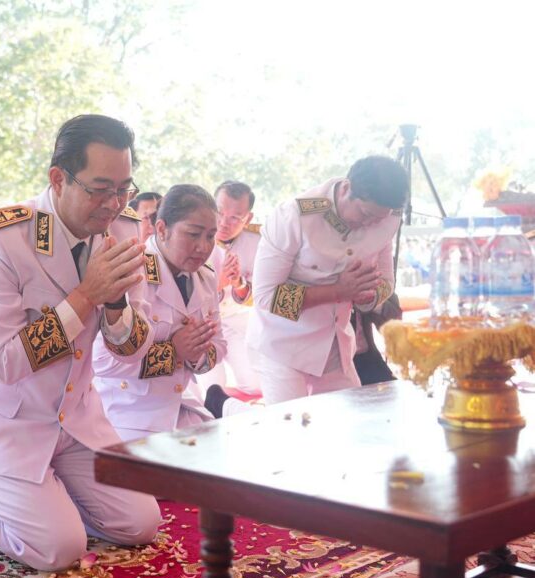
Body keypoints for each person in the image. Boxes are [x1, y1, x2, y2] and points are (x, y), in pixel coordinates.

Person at [0, 114, 161, 572]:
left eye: (124, 189)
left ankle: (48, 497)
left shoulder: (122, 229)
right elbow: (4, 363)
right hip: (5, 418)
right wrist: (86, 296)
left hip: (74, 418)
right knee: (58, 549)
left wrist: (114, 301)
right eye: (100, 189)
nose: (114, 204)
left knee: (141, 524)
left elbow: (133, 349)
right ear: (58, 179)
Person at [247, 156, 407, 404]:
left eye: (379, 219)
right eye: (365, 214)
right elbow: (266, 297)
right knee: (290, 422)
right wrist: (338, 291)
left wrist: (367, 296)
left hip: (336, 346)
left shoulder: (388, 217)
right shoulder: (294, 216)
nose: (371, 224)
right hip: (282, 345)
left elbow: (386, 282)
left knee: (352, 420)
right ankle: (226, 406)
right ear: (346, 189)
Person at [94, 184, 225, 440]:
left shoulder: (205, 277)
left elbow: (219, 346)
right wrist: (174, 352)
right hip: (128, 414)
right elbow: (101, 361)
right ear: (162, 229)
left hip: (182, 408)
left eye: (210, 236)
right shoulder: (133, 270)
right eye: (193, 234)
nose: (203, 247)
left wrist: (195, 353)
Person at [198, 181, 262, 417]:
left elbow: (264, 294)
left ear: (248, 218)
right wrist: (219, 282)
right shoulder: (192, 236)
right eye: (220, 212)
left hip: (237, 321)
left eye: (235, 217)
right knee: (211, 389)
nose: (224, 223)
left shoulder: (258, 242)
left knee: (255, 385)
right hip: (203, 324)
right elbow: (182, 295)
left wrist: (238, 284)